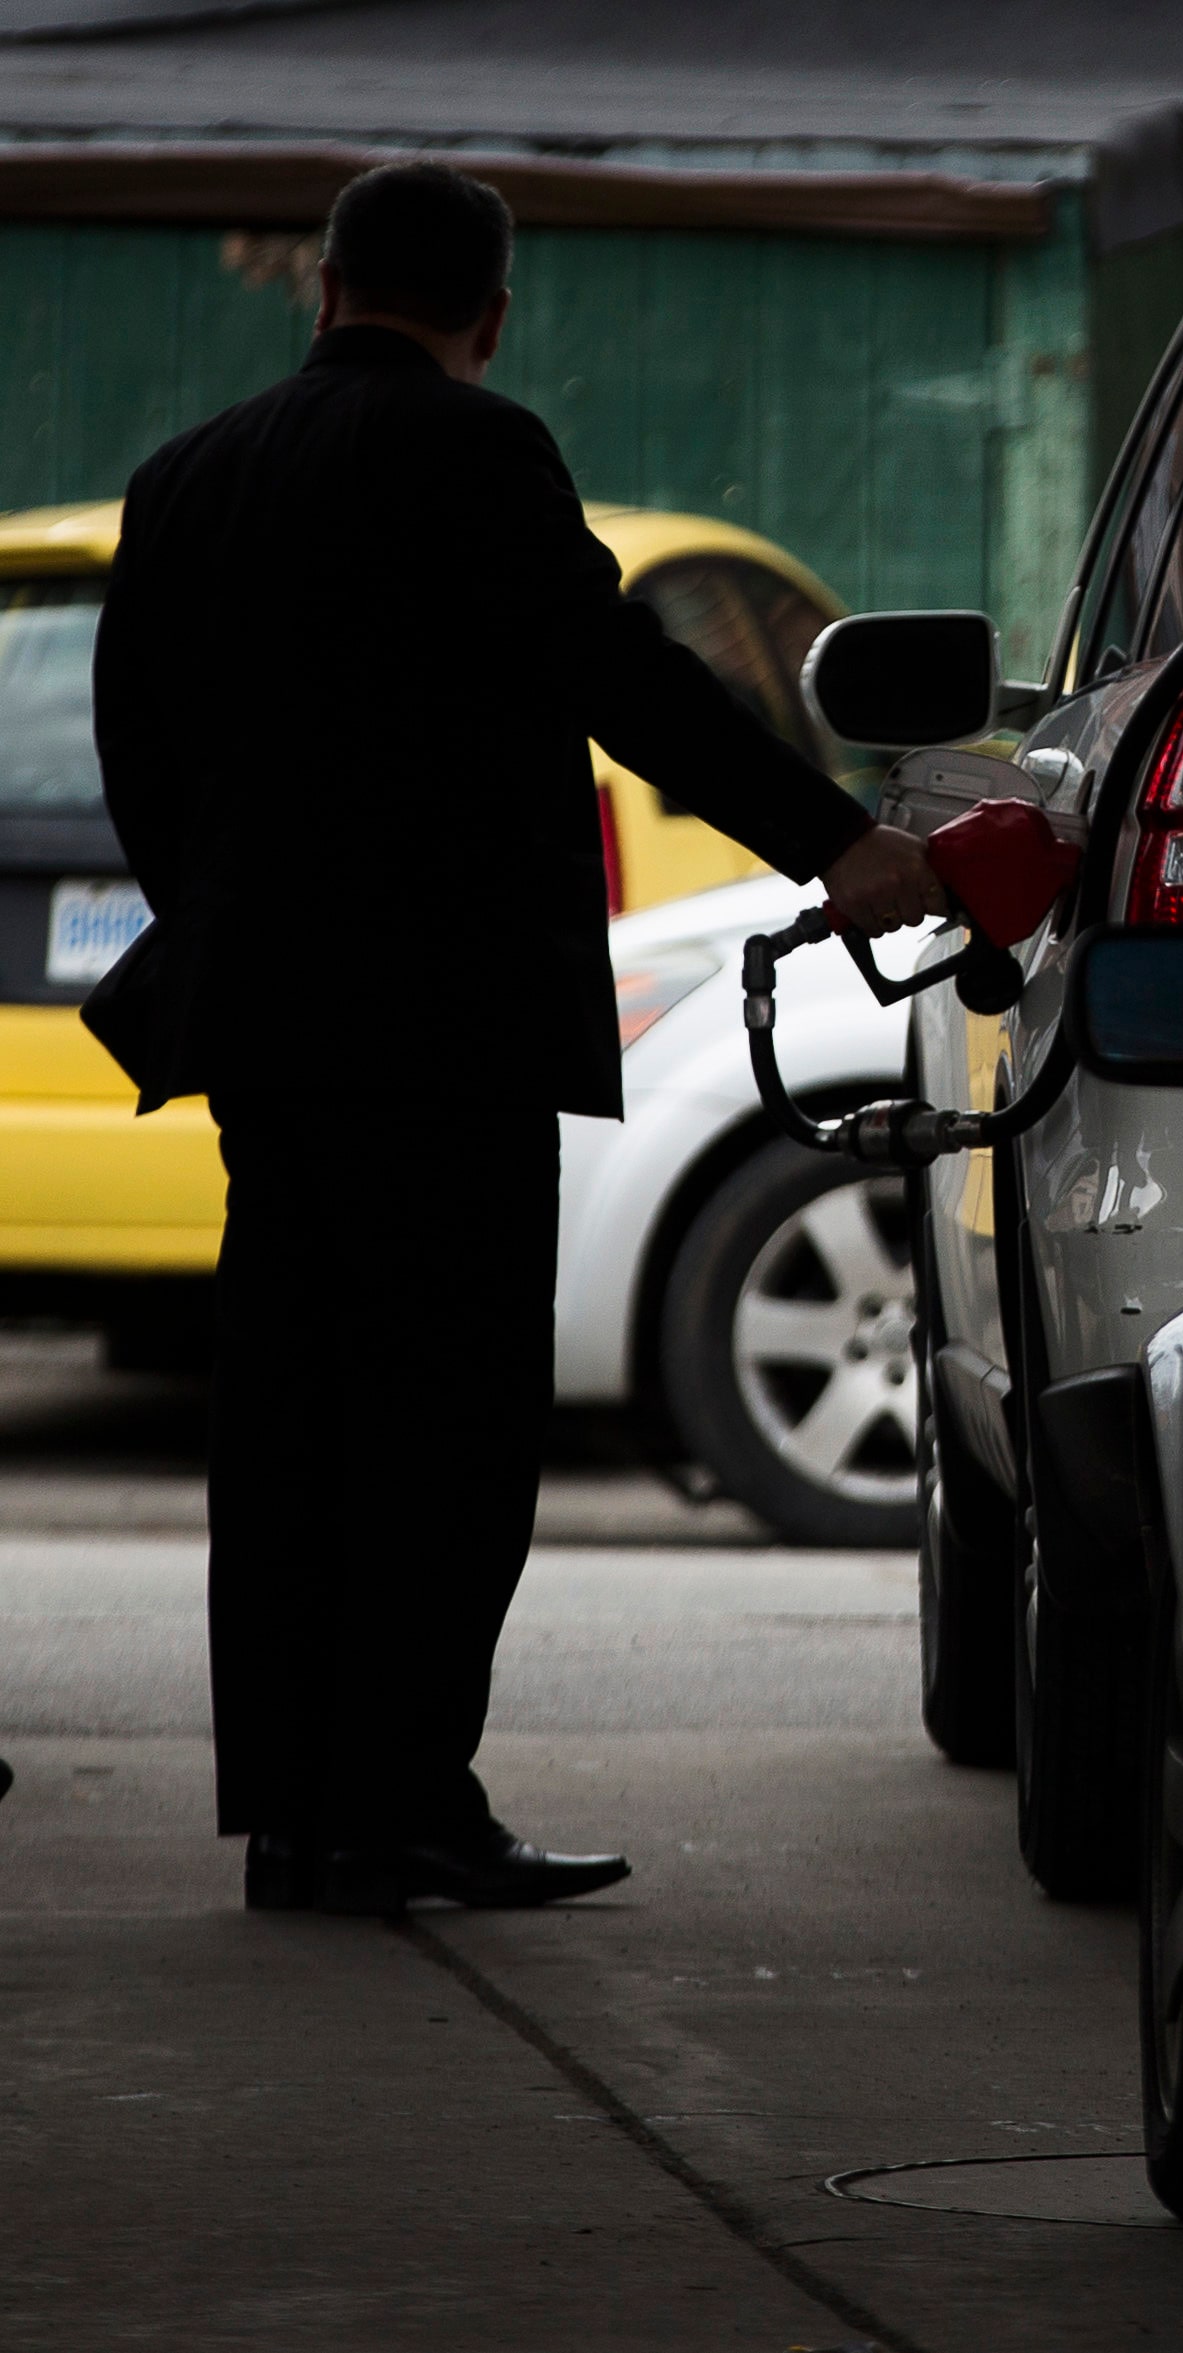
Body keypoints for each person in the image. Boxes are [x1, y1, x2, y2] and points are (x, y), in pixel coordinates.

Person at [84, 161, 947, 1916]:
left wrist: (230, 923)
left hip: (263, 1030)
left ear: (322, 289)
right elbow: (621, 679)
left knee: (293, 1423)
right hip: (444, 1032)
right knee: (446, 1425)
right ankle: (406, 1801)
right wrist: (841, 846)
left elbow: (136, 746)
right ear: (491, 312)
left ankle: (296, 1819)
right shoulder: (478, 454)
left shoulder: (187, 478)